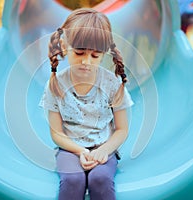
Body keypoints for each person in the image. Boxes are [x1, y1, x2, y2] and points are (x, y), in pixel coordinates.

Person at [39, 8, 133, 200]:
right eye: (79, 52)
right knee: (74, 180)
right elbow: (56, 133)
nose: (86, 61)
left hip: (103, 148)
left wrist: (103, 151)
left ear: (104, 53)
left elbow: (122, 129)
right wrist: (80, 151)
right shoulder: (56, 85)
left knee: (100, 179)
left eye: (95, 55)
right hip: (70, 149)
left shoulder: (112, 84)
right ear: (65, 46)